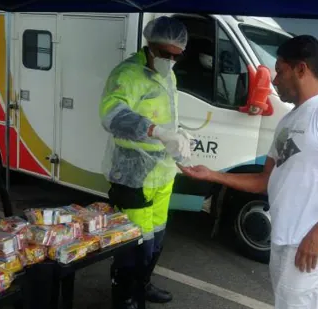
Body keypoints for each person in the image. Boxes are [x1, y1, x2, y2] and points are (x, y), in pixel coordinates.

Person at [178, 35, 318, 309]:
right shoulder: (289, 119)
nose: (274, 80)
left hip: (308, 245)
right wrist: (213, 175)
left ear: (301, 69)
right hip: (285, 239)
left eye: (280, 71)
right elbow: (265, 181)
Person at [99, 16, 192, 309]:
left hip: (161, 174)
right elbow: (111, 115)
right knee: (133, 244)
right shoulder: (127, 74)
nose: (171, 60)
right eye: (165, 54)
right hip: (132, 175)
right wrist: (156, 131)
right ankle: (125, 297)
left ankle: (144, 284)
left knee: (157, 238)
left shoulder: (168, 76)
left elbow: (168, 115)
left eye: (177, 56)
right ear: (150, 46)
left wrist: (178, 136)